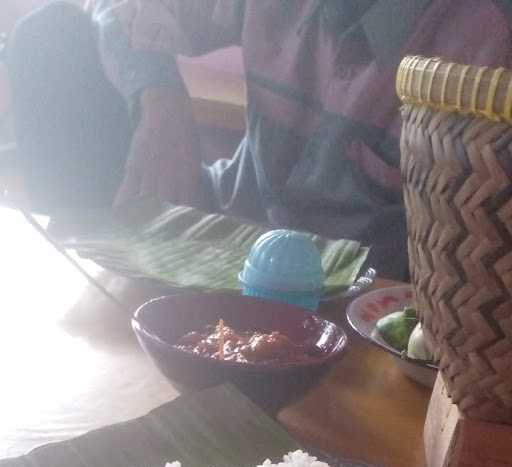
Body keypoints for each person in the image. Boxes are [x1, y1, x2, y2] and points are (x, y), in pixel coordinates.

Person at [6, 0, 512, 276]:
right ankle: (90, 277)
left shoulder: (488, 34)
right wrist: (160, 102)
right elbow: (118, 9)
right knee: (51, 36)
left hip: (363, 297)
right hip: (224, 231)